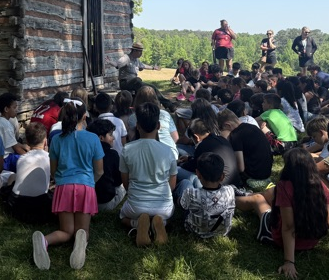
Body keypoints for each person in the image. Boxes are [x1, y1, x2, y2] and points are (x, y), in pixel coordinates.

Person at [235, 148, 329, 278]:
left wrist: (289, 262)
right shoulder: (320, 185)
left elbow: (288, 228)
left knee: (257, 199)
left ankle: (230, 198)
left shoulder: (285, 186)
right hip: (311, 242)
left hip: (281, 240)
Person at [32, 100, 103, 271]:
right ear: (84, 116)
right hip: (85, 186)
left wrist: (60, 181)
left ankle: (44, 240)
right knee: (82, 229)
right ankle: (81, 241)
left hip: (64, 187)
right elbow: (99, 171)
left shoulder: (57, 140)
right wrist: (89, 183)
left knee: (66, 231)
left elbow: (53, 170)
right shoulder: (93, 138)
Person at [119, 102, 177, 247]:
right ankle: (160, 222)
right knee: (170, 216)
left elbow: (125, 182)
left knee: (122, 216)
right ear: (158, 125)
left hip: (136, 205)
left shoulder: (127, 149)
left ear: (137, 125)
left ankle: (136, 223)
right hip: (164, 205)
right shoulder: (168, 151)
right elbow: (173, 184)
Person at [2, 122, 53, 224]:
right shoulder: (49, 158)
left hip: (17, 205)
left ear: (27, 142)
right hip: (40, 206)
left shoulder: (22, 159)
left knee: (13, 176)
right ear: (45, 141)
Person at [178, 152, 236, 239]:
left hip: (195, 231)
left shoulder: (190, 193)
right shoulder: (230, 190)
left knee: (186, 183)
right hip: (223, 231)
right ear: (222, 176)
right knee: (196, 185)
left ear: (198, 173)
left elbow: (182, 206)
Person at [218, 109, 272, 191]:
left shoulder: (236, 135)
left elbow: (240, 168)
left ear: (227, 125)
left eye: (221, 129)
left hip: (254, 177)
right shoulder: (252, 127)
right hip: (266, 172)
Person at [86, 119, 126, 211]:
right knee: (123, 186)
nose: (113, 138)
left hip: (85, 201)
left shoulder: (84, 152)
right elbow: (119, 181)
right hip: (105, 203)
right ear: (101, 138)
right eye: (111, 135)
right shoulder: (112, 154)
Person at [0, 93, 29, 171]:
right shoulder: (5, 125)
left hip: (1, 157)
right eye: (14, 107)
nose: (17, 110)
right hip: (5, 159)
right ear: (6, 109)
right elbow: (17, 148)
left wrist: (23, 146)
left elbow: (12, 142)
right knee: (27, 162)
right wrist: (29, 157)